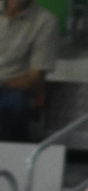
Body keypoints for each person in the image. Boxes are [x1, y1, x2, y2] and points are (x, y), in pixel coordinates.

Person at [0, 0, 58, 142]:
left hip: (11, 91)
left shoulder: (44, 21)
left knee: (15, 104)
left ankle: (10, 154)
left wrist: (2, 83)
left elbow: (35, 80)